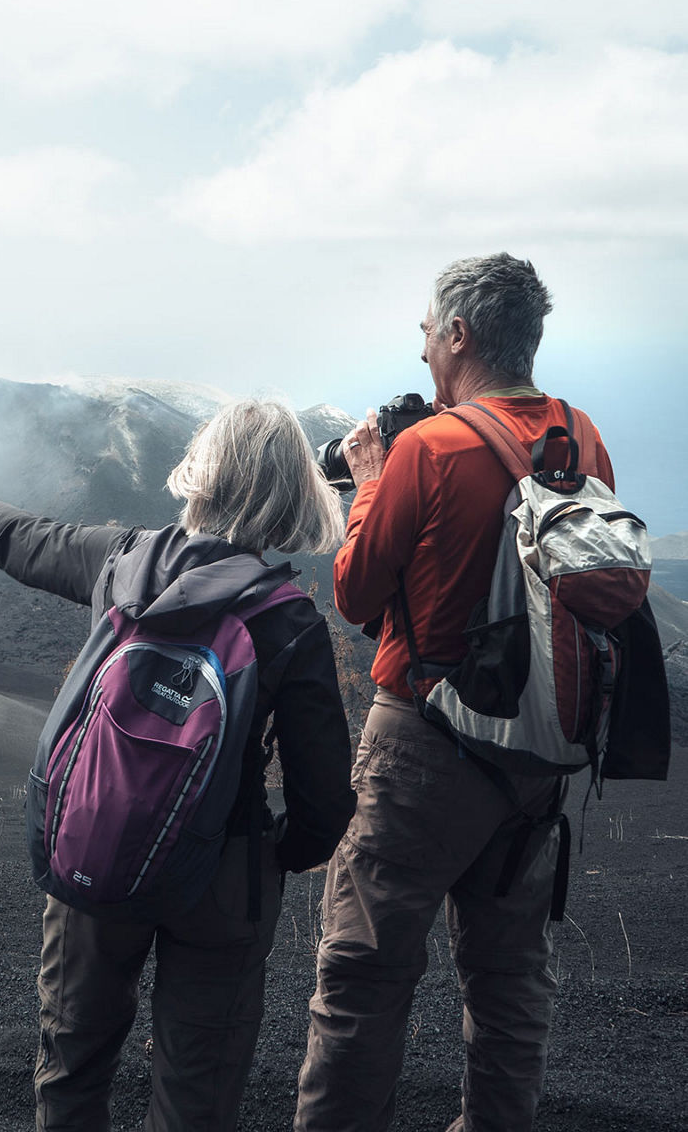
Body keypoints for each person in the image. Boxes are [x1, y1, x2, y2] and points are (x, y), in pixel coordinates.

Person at [0, 398, 357, 1132]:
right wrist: (277, 855)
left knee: (71, 1061)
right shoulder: (287, 620)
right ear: (290, 495)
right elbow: (323, 802)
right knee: (196, 1087)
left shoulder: (123, 561)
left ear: (203, 473)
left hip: (99, 841)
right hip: (222, 875)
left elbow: (24, 538)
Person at [294, 254, 616, 1132]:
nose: (424, 345)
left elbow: (357, 597)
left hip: (423, 750)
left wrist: (368, 484)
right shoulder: (580, 437)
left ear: (461, 335)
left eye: (429, 331)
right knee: (509, 981)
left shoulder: (429, 449)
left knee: (363, 974)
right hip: (538, 755)